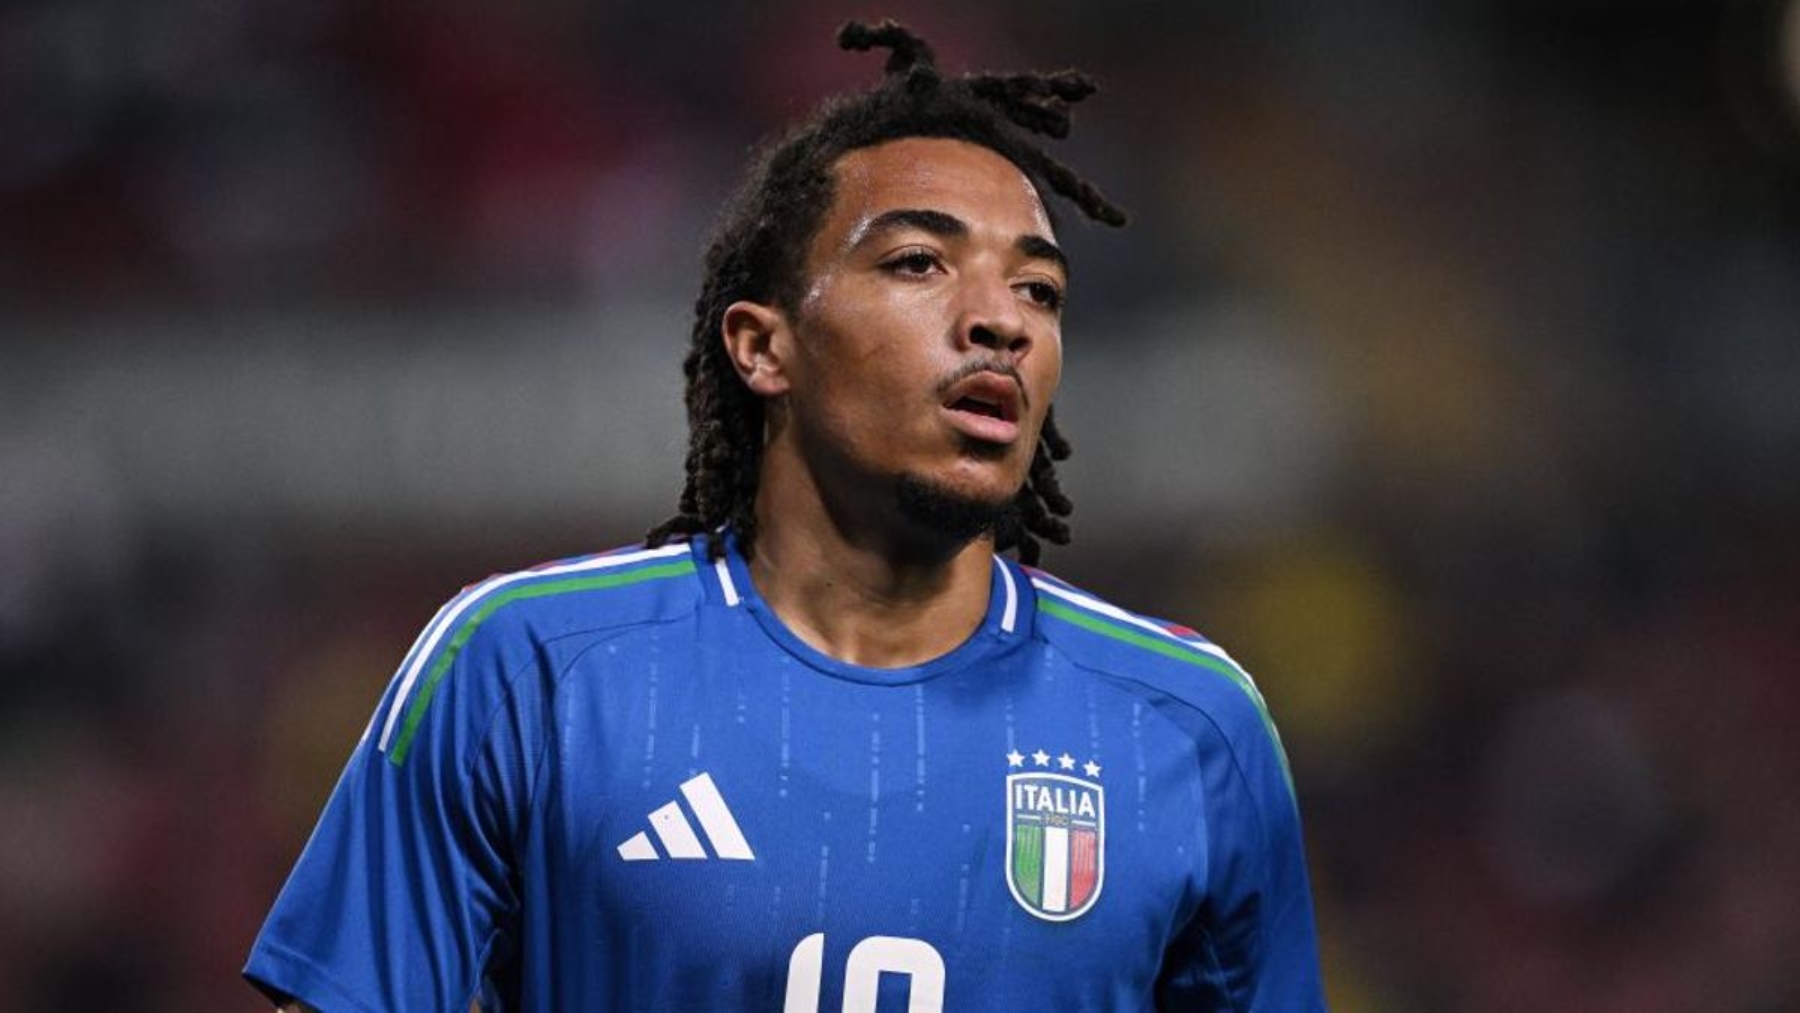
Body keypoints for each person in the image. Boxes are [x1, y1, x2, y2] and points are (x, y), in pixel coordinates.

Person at [245, 20, 1324, 1011]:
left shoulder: (1187, 725)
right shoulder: (529, 670)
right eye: (918, 262)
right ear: (763, 347)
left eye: (1038, 290)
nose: (1001, 320)